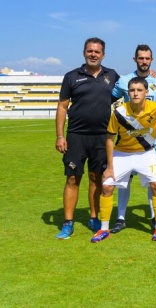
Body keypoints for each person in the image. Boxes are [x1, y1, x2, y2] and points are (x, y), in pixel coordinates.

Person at [55, 37, 119, 239]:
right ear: (84, 53)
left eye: (97, 51)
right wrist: (59, 135)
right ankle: (68, 223)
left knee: (96, 178)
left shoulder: (112, 75)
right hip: (76, 136)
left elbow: (133, 87)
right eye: (90, 51)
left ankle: (94, 218)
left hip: (102, 137)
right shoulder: (72, 76)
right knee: (73, 178)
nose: (93, 54)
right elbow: (62, 106)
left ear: (103, 55)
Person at [92, 77, 156, 243]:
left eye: (139, 90)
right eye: (132, 90)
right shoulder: (119, 111)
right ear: (128, 93)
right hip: (122, 154)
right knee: (106, 187)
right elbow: (109, 139)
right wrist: (110, 167)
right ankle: (104, 229)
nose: (135, 93)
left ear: (146, 93)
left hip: (146, 153)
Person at [109, 44, 156, 234]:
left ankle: (154, 217)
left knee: (154, 183)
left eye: (147, 58)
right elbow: (109, 99)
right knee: (123, 182)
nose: (144, 61)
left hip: (151, 145)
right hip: (126, 144)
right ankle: (120, 218)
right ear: (135, 59)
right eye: (141, 58)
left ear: (152, 60)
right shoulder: (124, 81)